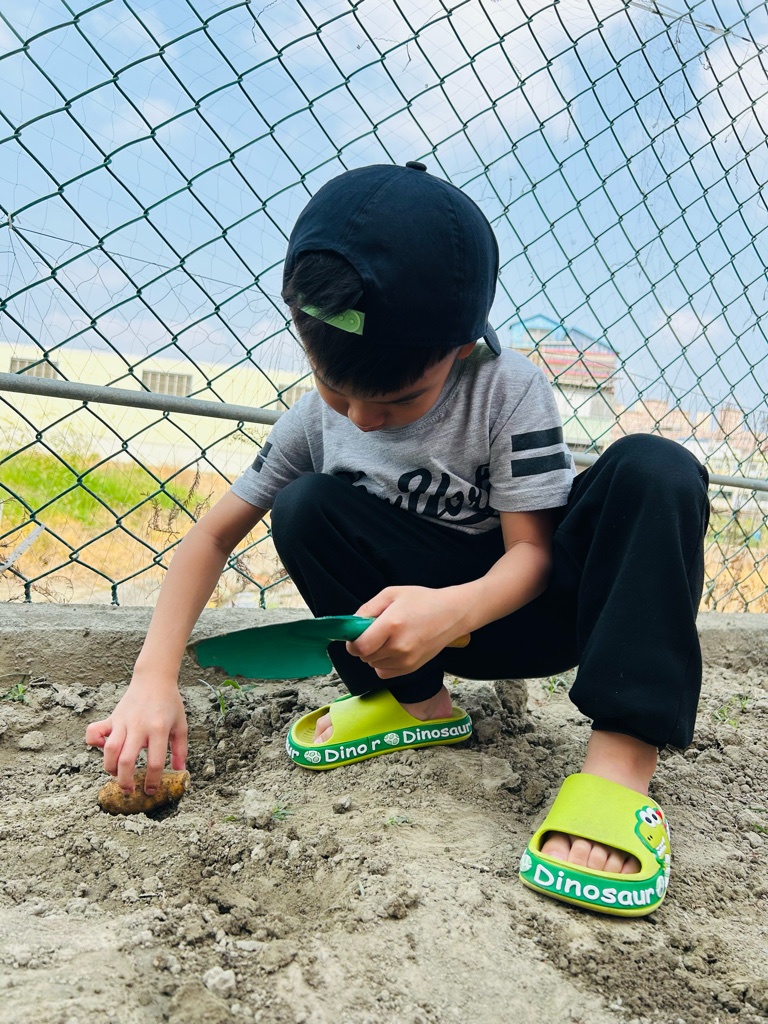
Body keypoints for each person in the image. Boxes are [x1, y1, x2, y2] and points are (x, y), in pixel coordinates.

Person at [86, 162, 710, 917]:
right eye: (333, 387)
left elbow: (534, 554)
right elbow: (210, 539)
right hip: (405, 641)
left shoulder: (506, 388)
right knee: (306, 503)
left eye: (401, 399)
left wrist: (454, 609)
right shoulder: (314, 422)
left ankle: (620, 764)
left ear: (464, 348)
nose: (360, 419)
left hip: (538, 609)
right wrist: (153, 678)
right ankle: (416, 707)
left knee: (656, 467)